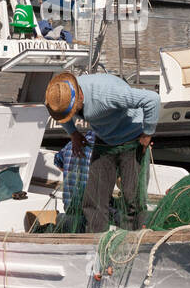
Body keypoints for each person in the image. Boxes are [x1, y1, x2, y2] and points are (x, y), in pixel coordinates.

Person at [46, 71, 159, 232]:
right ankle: (95, 239)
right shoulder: (59, 94)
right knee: (94, 197)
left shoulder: (107, 95)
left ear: (80, 98)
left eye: (71, 112)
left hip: (133, 138)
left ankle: (131, 238)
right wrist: (73, 133)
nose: (71, 115)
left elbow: (152, 99)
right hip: (104, 140)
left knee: (132, 197)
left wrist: (148, 133)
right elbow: (56, 112)